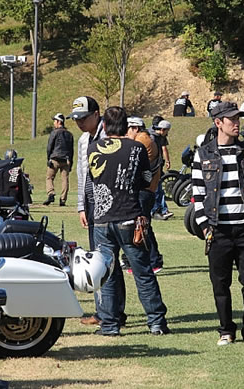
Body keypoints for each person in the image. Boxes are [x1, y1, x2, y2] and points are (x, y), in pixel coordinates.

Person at [87, 106, 170, 336]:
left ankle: (110, 325)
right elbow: (146, 178)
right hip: (130, 217)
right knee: (143, 272)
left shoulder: (93, 148)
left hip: (102, 219)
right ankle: (156, 322)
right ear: (126, 126)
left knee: (107, 275)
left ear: (104, 126)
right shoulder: (136, 148)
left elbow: (92, 180)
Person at [192, 101, 244, 346]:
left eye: (238, 118)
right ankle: (226, 330)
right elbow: (198, 193)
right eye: (232, 119)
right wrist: (205, 226)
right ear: (218, 123)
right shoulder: (203, 153)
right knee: (220, 283)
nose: (237, 123)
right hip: (218, 230)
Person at [69, 96, 108, 327]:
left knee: (105, 260)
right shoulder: (83, 140)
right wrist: (81, 206)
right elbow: (81, 173)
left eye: (83, 118)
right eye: (76, 119)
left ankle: (109, 314)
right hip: (91, 204)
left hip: (108, 205)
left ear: (96, 114)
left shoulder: (108, 136)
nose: (79, 123)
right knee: (97, 258)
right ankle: (104, 311)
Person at [125, 116, 164, 272]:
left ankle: (152, 261)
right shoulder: (146, 139)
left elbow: (132, 165)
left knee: (141, 226)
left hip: (143, 190)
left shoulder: (141, 141)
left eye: (127, 130)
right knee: (143, 226)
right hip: (147, 189)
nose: (125, 134)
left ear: (135, 128)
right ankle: (151, 260)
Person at [44, 113, 74, 206]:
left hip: (55, 158)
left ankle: (51, 193)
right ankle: (63, 200)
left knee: (49, 177)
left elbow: (49, 147)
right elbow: (71, 150)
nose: (54, 123)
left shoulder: (54, 133)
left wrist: (49, 158)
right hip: (66, 160)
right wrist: (71, 163)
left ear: (58, 122)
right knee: (65, 180)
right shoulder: (69, 134)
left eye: (54, 121)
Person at [150, 119, 174, 220]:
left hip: (157, 166)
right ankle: (156, 211)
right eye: (167, 131)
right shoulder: (152, 138)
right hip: (152, 168)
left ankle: (163, 210)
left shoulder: (158, 137)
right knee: (156, 190)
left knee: (159, 189)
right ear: (163, 129)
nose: (167, 134)